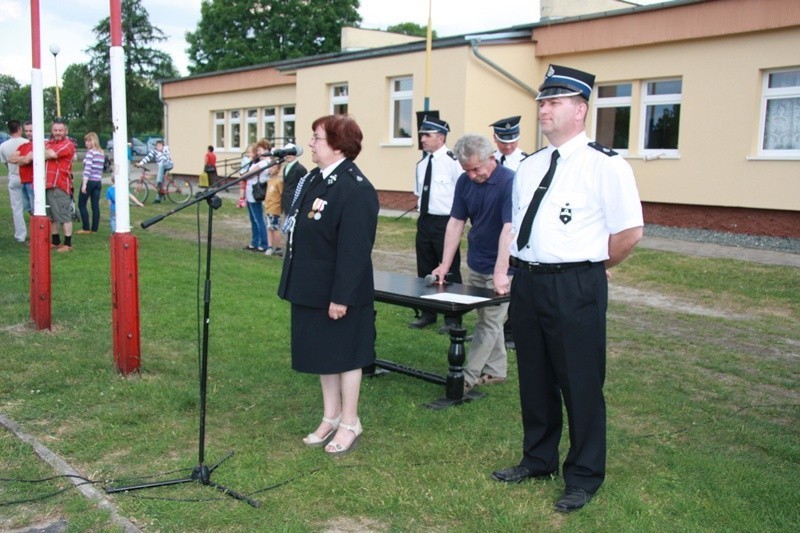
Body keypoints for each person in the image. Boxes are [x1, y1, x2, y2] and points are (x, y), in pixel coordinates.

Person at [491, 64, 644, 514]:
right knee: (535, 377)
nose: (544, 109)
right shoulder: (530, 165)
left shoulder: (605, 165)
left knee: (579, 380)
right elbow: (517, 226)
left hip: (576, 284)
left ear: (580, 110)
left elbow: (629, 232)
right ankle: (538, 459)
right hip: (530, 282)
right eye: (542, 101)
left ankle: (583, 474)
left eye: (554, 102)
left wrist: (594, 266)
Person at [278, 114, 379, 456]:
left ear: (337, 145)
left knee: (345, 355)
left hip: (340, 291)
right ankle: (331, 416)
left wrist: (341, 297)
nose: (310, 143)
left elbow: (355, 250)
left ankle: (350, 421)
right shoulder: (315, 180)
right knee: (324, 354)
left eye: (317, 138)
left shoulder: (355, 188)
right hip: (313, 286)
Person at [429, 134, 514, 392]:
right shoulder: (465, 182)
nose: (473, 175)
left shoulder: (510, 182)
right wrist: (445, 264)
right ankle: (497, 370)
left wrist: (501, 271)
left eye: (476, 168)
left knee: (490, 321)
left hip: (503, 264)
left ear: (491, 157)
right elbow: (456, 222)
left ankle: (466, 376)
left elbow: (510, 229)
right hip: (477, 260)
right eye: (467, 170)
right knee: (488, 318)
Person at [410, 116, 463, 333]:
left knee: (449, 269)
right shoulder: (422, 164)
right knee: (425, 267)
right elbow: (418, 193)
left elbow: (462, 192)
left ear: (441, 138)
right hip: (425, 220)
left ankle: (453, 316)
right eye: (422, 135)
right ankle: (428, 312)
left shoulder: (454, 162)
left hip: (446, 222)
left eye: (427, 135)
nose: (422, 139)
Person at [42, 119, 76, 252]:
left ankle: (68, 244)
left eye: (60, 130)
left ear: (66, 131)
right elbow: (40, 152)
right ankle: (55, 241)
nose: (57, 133)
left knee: (63, 215)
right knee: (51, 216)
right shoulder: (48, 143)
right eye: (55, 130)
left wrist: (42, 152)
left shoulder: (68, 145)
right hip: (46, 184)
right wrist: (43, 152)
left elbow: (52, 154)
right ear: (52, 131)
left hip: (60, 184)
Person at [0, 120, 29, 242]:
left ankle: (20, 235)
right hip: (26, 176)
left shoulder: (3, 146)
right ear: (20, 129)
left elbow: (6, 162)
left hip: (13, 175)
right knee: (32, 205)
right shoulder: (27, 142)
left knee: (16, 208)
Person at [242, 140, 270, 251]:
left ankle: (263, 243)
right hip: (250, 193)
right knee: (253, 219)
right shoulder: (258, 161)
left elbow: (251, 172)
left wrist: (243, 175)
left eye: (260, 150)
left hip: (255, 193)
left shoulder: (264, 162)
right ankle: (254, 242)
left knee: (258, 219)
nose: (258, 153)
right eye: (257, 150)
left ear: (266, 150)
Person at [76, 132, 105, 234]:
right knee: (95, 205)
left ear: (93, 141)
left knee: (82, 204)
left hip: (90, 181)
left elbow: (88, 169)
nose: (87, 143)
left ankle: (86, 228)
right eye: (86, 141)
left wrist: (84, 184)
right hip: (98, 181)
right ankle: (95, 229)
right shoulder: (101, 152)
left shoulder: (90, 153)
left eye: (89, 140)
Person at [280, 143, 307, 217]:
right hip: (286, 201)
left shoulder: (300, 169)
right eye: (286, 153)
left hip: (294, 201)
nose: (288, 155)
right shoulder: (285, 168)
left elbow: (304, 187)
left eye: (290, 153)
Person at [264, 161, 284, 257]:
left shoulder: (279, 181)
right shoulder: (269, 180)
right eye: (270, 167)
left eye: (274, 167)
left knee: (275, 228)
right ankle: (270, 246)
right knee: (268, 228)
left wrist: (279, 206)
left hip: (275, 209)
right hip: (268, 208)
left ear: (278, 169)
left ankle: (278, 247)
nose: (271, 169)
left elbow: (281, 194)